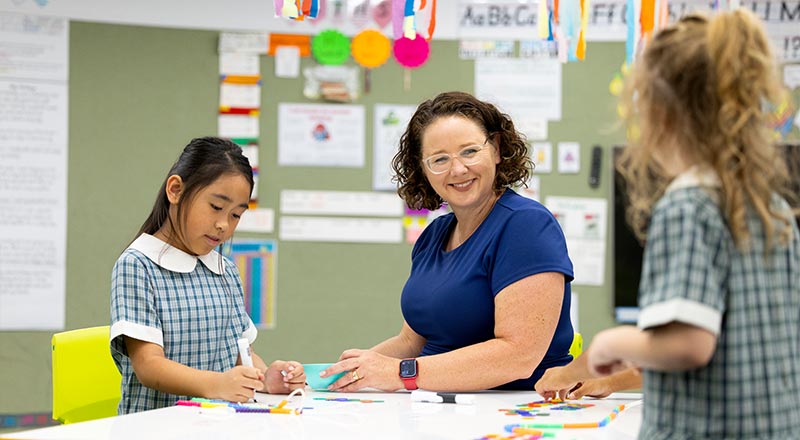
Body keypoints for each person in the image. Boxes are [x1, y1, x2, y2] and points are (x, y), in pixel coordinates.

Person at [536, 10, 800, 439]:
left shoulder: (688, 207)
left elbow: (688, 345)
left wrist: (611, 343)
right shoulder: (771, 207)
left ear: (662, 117)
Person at [320, 91, 575, 392]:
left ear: (495, 149)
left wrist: (398, 373)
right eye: (439, 159)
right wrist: (347, 372)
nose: (457, 169)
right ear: (423, 169)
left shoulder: (526, 225)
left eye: (469, 151)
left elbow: (518, 356)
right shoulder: (434, 235)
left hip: (512, 411)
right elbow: (412, 342)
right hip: (439, 406)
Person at [110, 136, 305, 414]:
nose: (223, 225)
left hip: (216, 424)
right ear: (175, 190)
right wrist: (217, 384)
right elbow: (149, 366)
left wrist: (266, 379)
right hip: (155, 428)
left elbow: (240, 353)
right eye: (215, 207)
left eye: (236, 215)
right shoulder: (138, 264)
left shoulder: (224, 270)